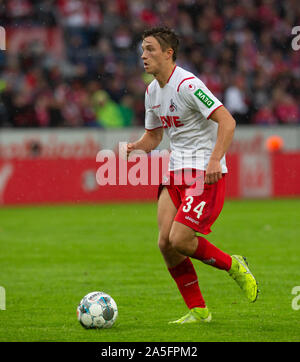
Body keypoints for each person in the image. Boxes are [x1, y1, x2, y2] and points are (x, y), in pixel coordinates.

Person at [127, 26, 258, 324]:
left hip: (203, 172)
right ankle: (199, 311)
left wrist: (215, 160)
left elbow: (227, 121)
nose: (143, 56)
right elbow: (154, 137)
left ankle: (233, 265)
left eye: (150, 49)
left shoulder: (188, 84)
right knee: (165, 243)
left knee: (182, 240)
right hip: (175, 171)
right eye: (142, 50)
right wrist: (137, 147)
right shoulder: (152, 91)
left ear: (168, 53)